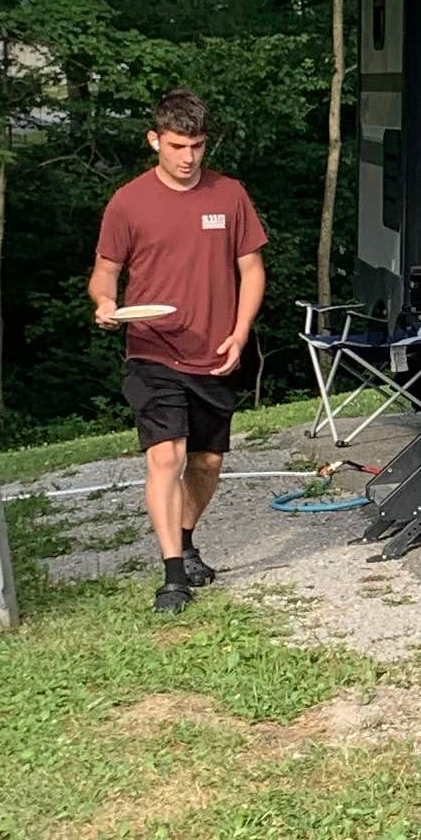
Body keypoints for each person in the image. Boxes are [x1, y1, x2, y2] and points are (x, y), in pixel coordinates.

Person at [90, 89, 267, 615]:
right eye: (177, 146)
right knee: (165, 454)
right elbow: (106, 272)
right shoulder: (128, 201)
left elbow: (252, 270)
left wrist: (239, 333)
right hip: (152, 349)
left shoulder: (229, 195)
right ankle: (173, 577)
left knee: (206, 461)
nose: (189, 158)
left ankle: (186, 541)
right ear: (154, 141)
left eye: (197, 146)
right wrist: (105, 302)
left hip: (214, 351)